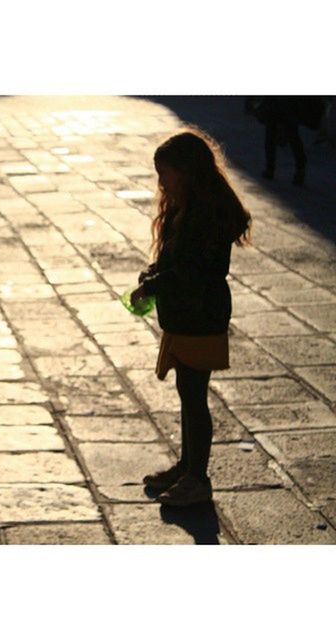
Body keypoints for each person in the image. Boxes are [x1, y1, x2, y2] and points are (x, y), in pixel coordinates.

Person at [130, 129, 252, 507]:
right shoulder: (186, 206)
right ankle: (187, 466)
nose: (161, 181)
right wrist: (152, 274)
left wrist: (154, 286)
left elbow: (196, 271)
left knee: (195, 397)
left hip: (201, 315)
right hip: (185, 315)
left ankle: (198, 479)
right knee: (188, 394)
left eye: (165, 173)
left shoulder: (206, 214)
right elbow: (175, 261)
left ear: (186, 171)